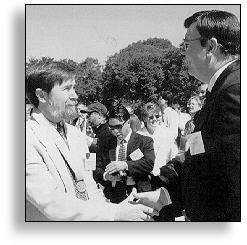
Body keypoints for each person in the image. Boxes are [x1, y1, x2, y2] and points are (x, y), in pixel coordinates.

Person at [136, 10, 240, 221]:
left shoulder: (234, 90)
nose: (183, 53)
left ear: (210, 46)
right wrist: (165, 195)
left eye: (186, 45)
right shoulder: (221, 90)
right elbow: (201, 156)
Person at [26, 61, 159, 221]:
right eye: (67, 89)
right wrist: (115, 214)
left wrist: (114, 212)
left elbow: (89, 184)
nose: (75, 96)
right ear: (42, 95)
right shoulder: (26, 139)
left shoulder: (76, 135)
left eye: (74, 88)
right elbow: (52, 202)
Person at [94, 104, 155, 203]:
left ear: (128, 123)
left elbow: (149, 163)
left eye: (118, 126)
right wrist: (106, 176)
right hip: (114, 196)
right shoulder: (106, 143)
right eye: (111, 128)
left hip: (139, 194)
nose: (115, 131)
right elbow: (97, 168)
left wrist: (125, 165)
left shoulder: (144, 141)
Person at [136, 102, 180, 221]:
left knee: (166, 216)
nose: (154, 119)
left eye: (157, 116)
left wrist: (166, 172)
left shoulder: (167, 133)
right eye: (151, 117)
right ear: (144, 118)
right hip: (145, 182)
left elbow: (174, 156)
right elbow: (135, 160)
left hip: (164, 181)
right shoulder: (138, 136)